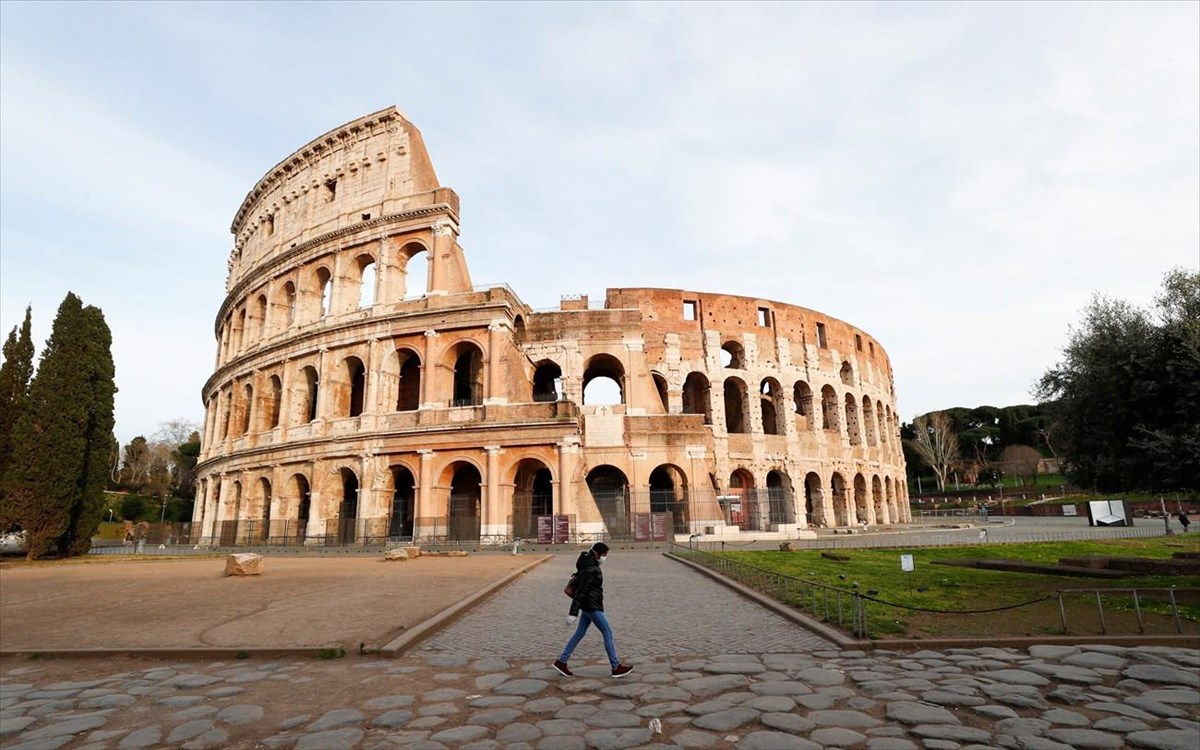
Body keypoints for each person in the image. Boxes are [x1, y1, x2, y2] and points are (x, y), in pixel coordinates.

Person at [553, 542, 633, 678]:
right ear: (596, 554)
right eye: (604, 555)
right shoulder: (591, 569)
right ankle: (615, 667)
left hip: (588, 604)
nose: (605, 558)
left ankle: (562, 661)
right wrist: (573, 612)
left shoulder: (588, 563)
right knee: (607, 632)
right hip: (591, 606)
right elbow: (581, 591)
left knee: (579, 633)